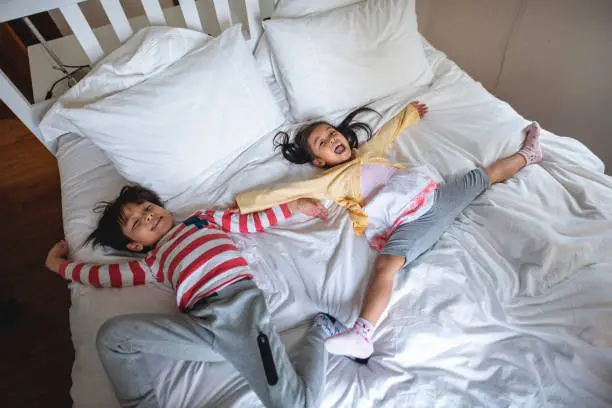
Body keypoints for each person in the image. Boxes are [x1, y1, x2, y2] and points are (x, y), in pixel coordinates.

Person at [235, 101, 544, 360]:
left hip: (432, 198)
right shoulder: (331, 181)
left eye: (331, 132)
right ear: (319, 161)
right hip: (411, 223)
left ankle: (530, 154)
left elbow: (387, 134)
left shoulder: (367, 153)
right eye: (322, 143)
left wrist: (409, 113)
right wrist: (244, 203)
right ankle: (362, 334)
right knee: (386, 263)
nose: (332, 139)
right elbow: (283, 191)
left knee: (478, 178)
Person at [44, 185, 343, 408]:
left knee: (294, 405)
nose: (146, 217)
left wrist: (295, 205)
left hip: (239, 313)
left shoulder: (203, 220)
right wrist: (61, 267)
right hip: (198, 326)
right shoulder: (154, 262)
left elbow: (249, 223)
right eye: (136, 223)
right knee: (112, 337)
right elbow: (104, 277)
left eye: (146, 208)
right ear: (135, 246)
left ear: (162, 208)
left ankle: (320, 330)